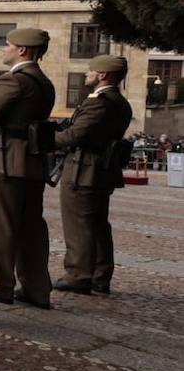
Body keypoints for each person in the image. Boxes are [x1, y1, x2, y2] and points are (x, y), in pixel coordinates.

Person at [0, 28, 56, 308]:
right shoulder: (44, 83)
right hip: (31, 161)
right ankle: (36, 287)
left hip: (4, 159)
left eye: (7, 44)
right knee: (30, 228)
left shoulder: (12, 81)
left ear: (22, 50)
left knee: (0, 224)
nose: (3, 49)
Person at [53, 54, 133, 295]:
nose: (87, 74)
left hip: (84, 168)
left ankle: (79, 274)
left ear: (102, 75)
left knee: (79, 223)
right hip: (101, 171)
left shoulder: (99, 101)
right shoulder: (120, 102)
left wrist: (47, 140)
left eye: (91, 71)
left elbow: (76, 135)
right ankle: (99, 275)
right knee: (98, 223)